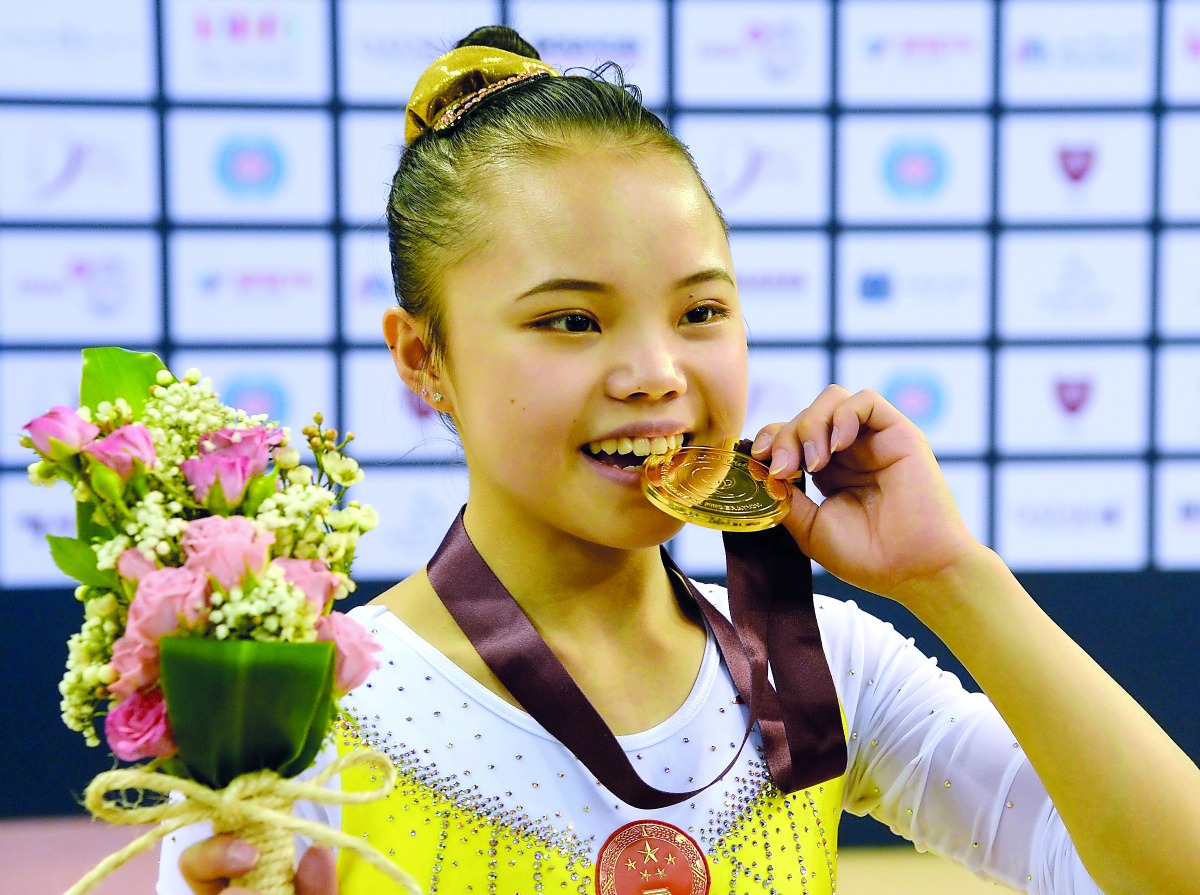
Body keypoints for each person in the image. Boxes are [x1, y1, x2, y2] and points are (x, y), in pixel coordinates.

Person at [163, 25, 1200, 895]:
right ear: (423, 359)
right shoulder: (301, 716)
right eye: (572, 320)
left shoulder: (820, 664)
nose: (657, 373)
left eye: (701, 310)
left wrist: (950, 578)